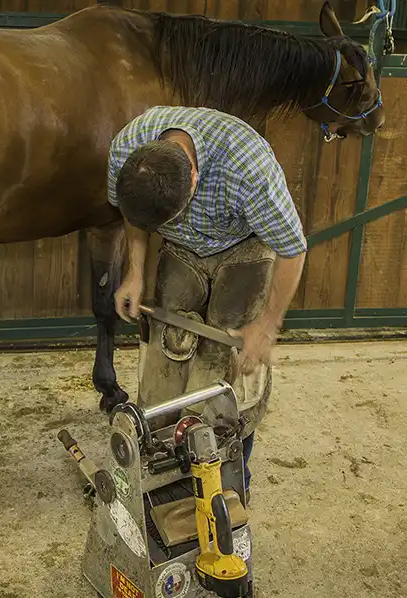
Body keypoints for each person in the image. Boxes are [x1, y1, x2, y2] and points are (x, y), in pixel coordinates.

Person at [107, 105, 307, 505]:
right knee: (167, 353)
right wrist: (136, 272)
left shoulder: (248, 167)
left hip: (244, 247)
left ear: (195, 178)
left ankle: (230, 482)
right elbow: (135, 216)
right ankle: (165, 478)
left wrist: (266, 327)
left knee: (226, 364)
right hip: (183, 248)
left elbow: (293, 249)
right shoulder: (127, 149)